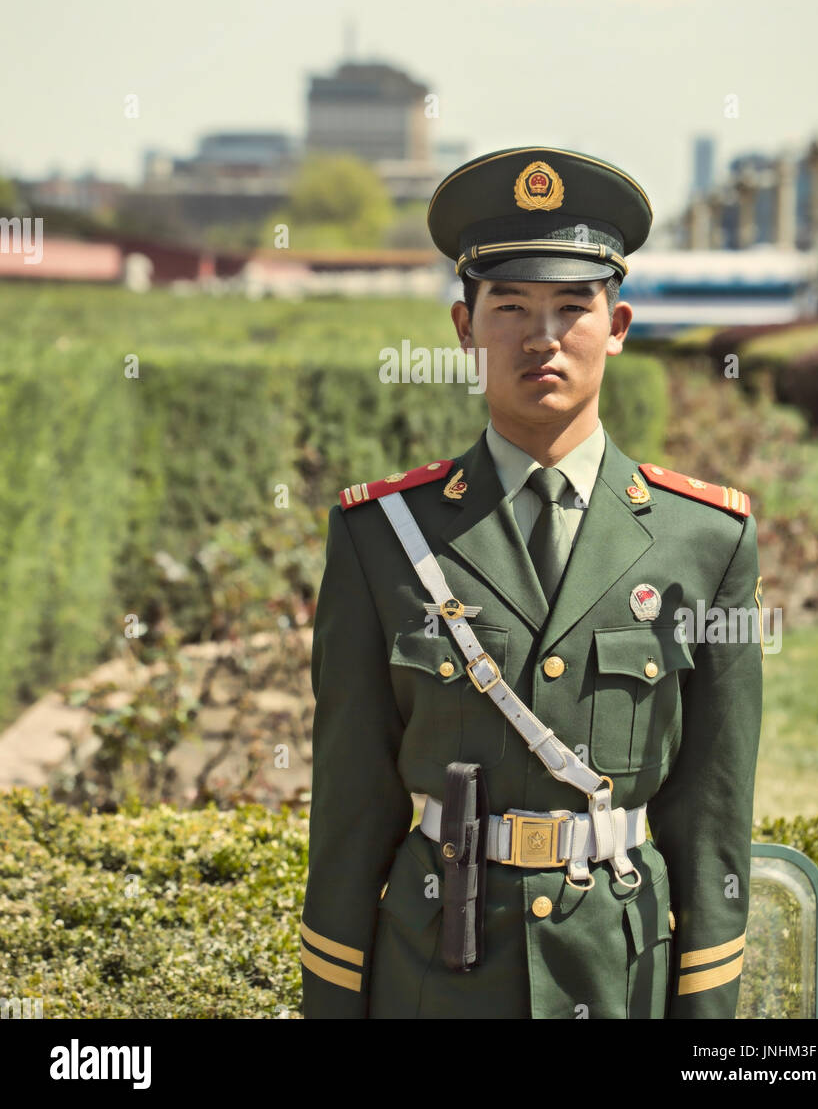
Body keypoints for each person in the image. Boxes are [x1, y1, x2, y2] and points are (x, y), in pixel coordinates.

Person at [300, 146, 763, 1020]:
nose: (541, 337)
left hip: (617, 975)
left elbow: (712, 822)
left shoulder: (706, 542)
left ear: (618, 326)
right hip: (431, 975)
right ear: (464, 328)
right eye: (509, 306)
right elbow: (351, 812)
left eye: (570, 308)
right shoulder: (382, 538)